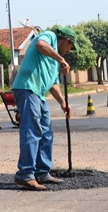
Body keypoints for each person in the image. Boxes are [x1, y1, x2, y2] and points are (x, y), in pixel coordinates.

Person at [11, 26, 77, 191]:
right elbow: (40, 44)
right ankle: (25, 174)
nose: (69, 52)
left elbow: (53, 84)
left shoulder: (54, 59)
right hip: (27, 88)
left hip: (38, 93)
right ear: (67, 40)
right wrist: (61, 59)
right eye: (71, 47)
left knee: (46, 132)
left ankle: (42, 172)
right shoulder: (49, 37)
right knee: (32, 130)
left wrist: (63, 103)